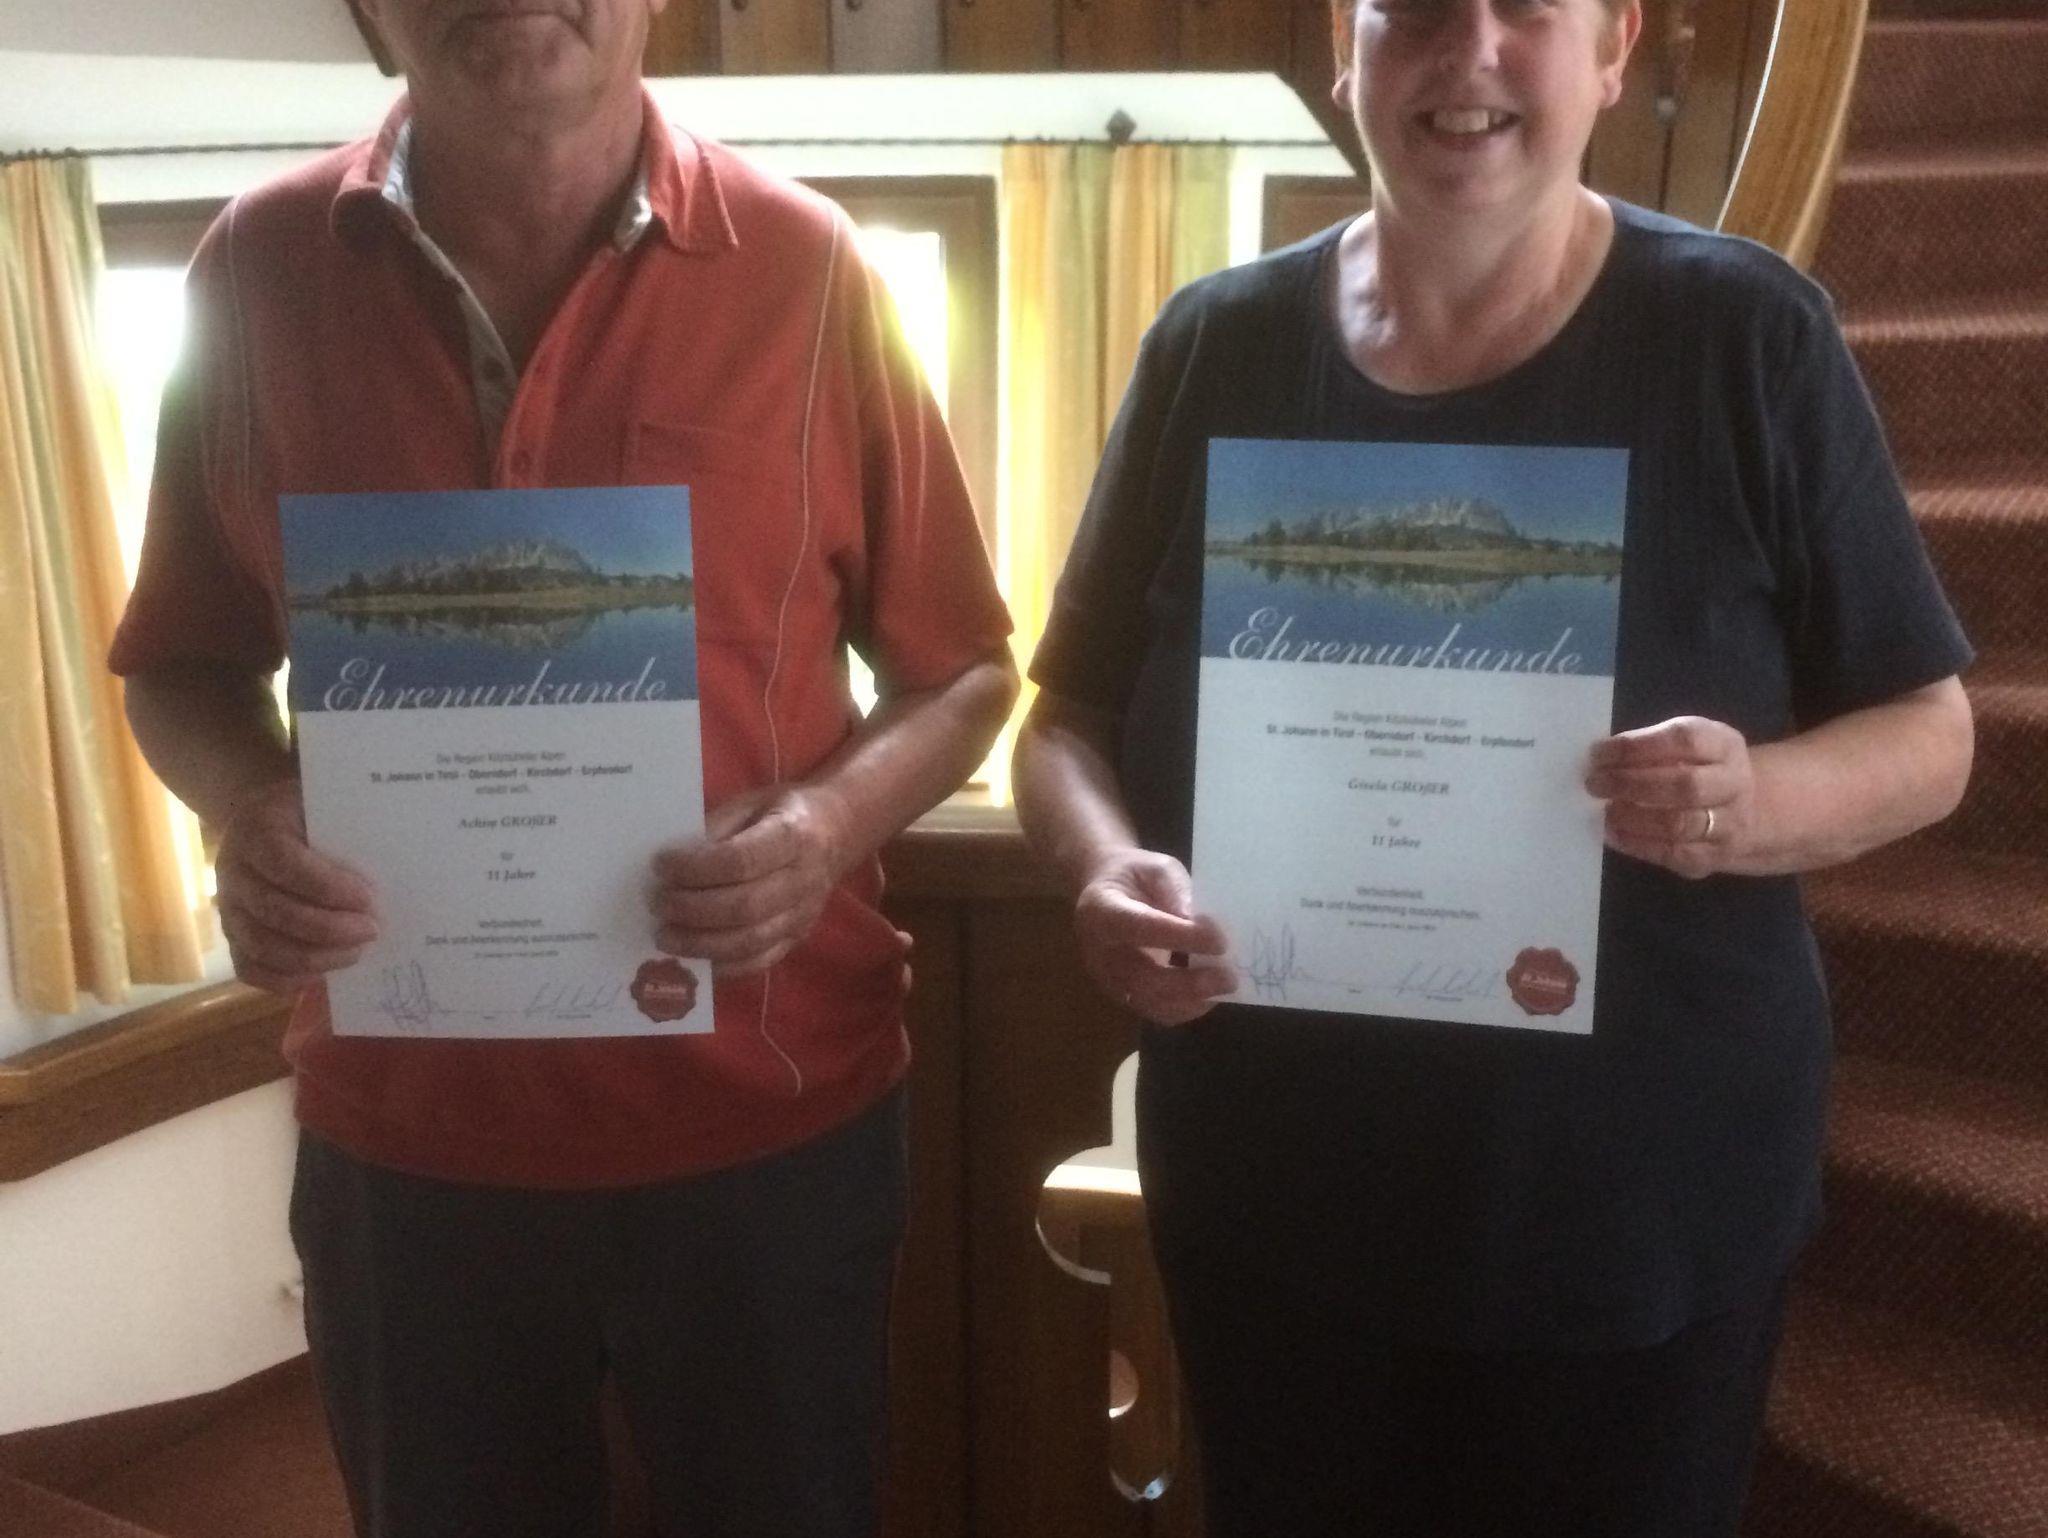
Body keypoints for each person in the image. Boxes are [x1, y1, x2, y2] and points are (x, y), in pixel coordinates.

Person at [1012, 0, 1974, 1533]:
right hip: (1278, 1202)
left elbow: (1932, 733)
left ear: (1614, 48)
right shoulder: (1214, 343)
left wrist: (1753, 805)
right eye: (1412, 9)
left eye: (1526, 6)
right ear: (1345, 47)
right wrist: (1101, 867)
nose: (1468, 52)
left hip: (1636, 1215)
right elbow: (1062, 718)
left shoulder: (1746, 334)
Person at [109, 1, 1015, 1534]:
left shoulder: (810, 270)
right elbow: (179, 662)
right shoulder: (251, 272)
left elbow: (967, 668)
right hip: (406, 1142)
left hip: (771, 1123)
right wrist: (249, 806)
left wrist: (825, 821)